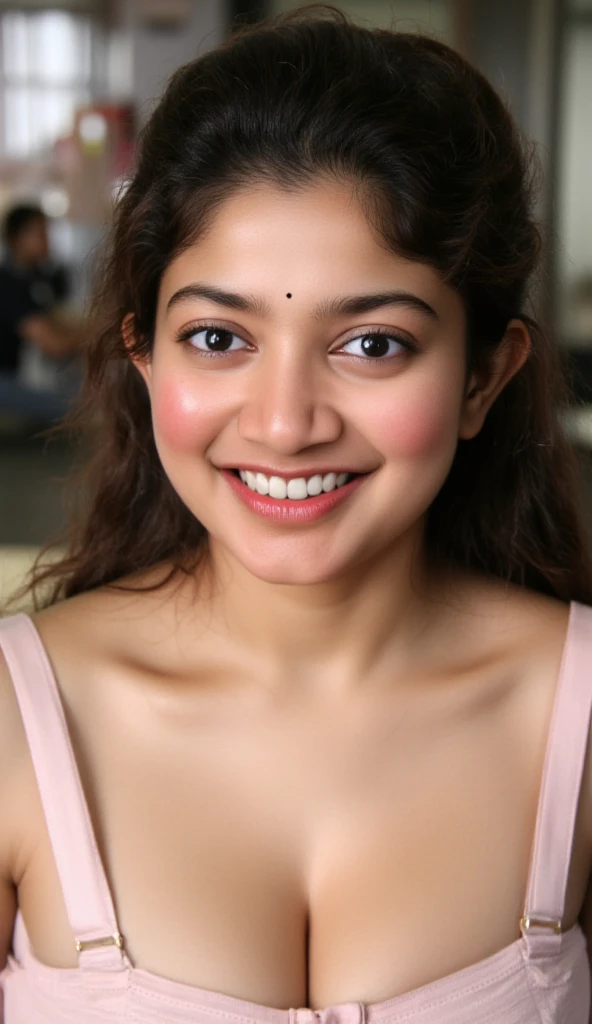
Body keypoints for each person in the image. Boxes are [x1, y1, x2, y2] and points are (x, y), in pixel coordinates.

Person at [1, 5, 592, 1022]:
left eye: (371, 344)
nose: (283, 424)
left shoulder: (573, 713)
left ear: (483, 380)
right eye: (219, 337)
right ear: (143, 358)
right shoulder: (17, 718)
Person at [0, 203, 80, 397]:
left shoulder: (39, 278)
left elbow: (58, 320)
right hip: (9, 381)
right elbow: (54, 345)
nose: (47, 241)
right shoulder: (6, 284)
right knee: (74, 409)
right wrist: (94, 334)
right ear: (17, 238)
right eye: (41, 234)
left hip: (36, 374)